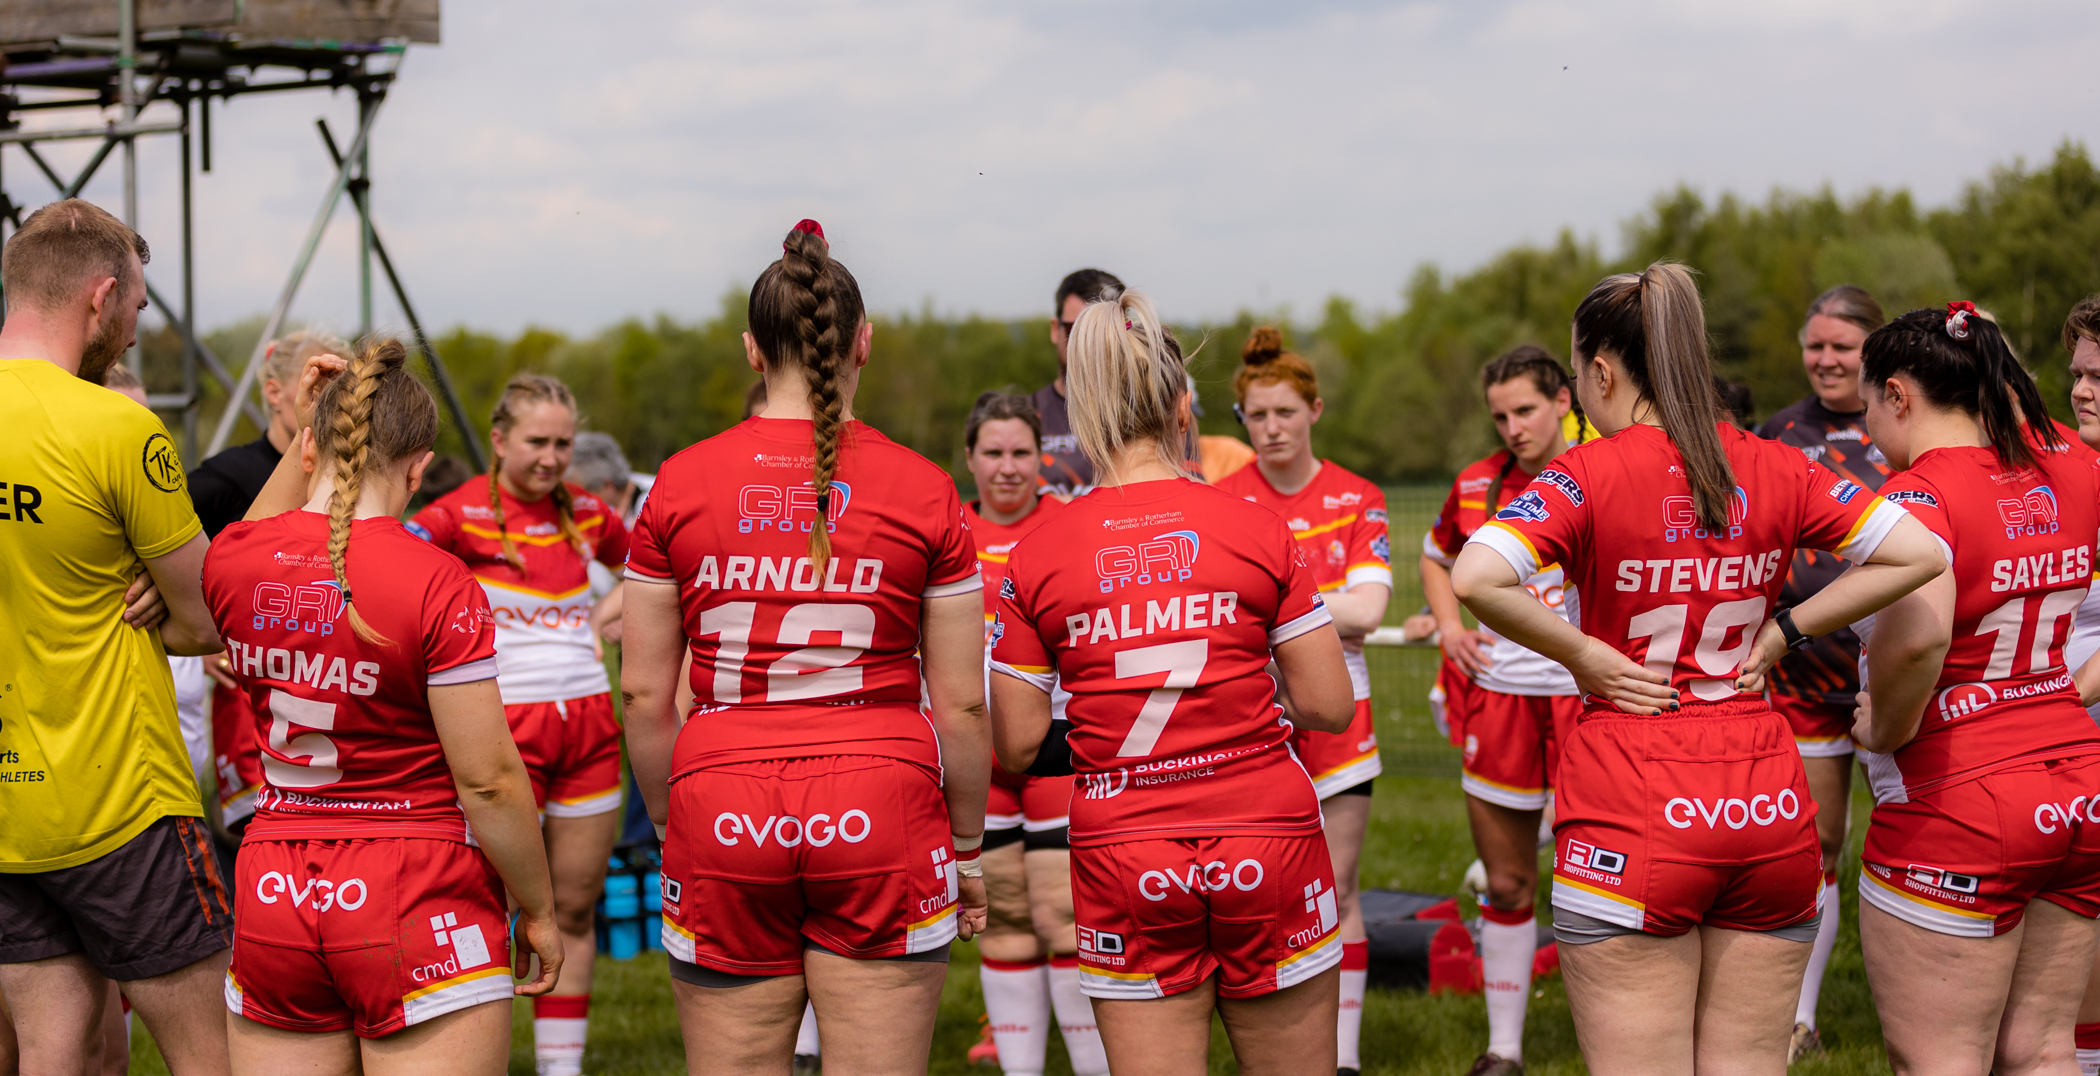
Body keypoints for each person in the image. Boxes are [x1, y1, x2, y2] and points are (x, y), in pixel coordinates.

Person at [1449, 262, 1943, 1074]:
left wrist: (1586, 656)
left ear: (1601, 371)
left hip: (1634, 789)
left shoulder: (1587, 470)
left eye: (1577, 373)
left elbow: (1475, 577)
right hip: (1762, 793)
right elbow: (1916, 553)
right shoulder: (1775, 460)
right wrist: (1786, 629)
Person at [620, 219, 991, 1074]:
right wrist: (967, 849)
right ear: (864, 341)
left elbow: (644, 697)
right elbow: (964, 704)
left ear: (753, 351)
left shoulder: (680, 479)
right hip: (883, 798)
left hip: (724, 791)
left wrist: (682, 814)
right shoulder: (924, 487)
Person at [989, 288, 1357, 1075]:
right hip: (1266, 828)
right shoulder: (1259, 526)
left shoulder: (1039, 553)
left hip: (1123, 841)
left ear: (1081, 409)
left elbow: (1017, 744)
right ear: (1181, 403)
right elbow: (1329, 704)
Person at [205, 339, 562, 1072]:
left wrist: (309, 435)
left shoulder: (233, 558)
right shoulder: (438, 579)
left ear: (310, 445)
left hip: (276, 881)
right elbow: (489, 780)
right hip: (414, 880)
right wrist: (542, 909)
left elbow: (261, 530)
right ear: (421, 466)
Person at [0, 198, 234, 1076]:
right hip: (122, 800)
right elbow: (205, 615)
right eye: (136, 308)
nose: (134, 332)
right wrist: (144, 592)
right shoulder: (118, 425)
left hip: (6, 809)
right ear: (100, 296)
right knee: (212, 1052)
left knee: (50, 1054)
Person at [1852, 304, 2100, 1075]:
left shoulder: (1915, 498)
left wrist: (1884, 727)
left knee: (1939, 1059)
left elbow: (1920, 636)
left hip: (1957, 792)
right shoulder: (2077, 469)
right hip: (2078, 779)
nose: (1865, 428)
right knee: (2046, 1051)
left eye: (1868, 404)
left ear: (1899, 395)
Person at [406, 373, 630, 1076]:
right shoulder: (457, 513)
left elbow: (654, 570)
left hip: (591, 724)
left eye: (563, 443)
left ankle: (561, 1069)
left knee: (573, 905)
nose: (552, 457)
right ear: (499, 440)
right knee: (495, 907)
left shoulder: (590, 512)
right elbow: (390, 567)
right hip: (503, 732)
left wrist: (603, 615)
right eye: (537, 441)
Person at [1211, 327, 1391, 1076]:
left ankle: (1340, 1060)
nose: (1272, 429)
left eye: (1286, 412)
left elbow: (1372, 610)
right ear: (1241, 418)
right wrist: (1324, 603)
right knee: (1257, 897)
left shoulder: (1357, 495)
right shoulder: (1220, 501)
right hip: (1247, 725)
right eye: (1257, 416)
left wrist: (1268, 605)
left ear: (1315, 409)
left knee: (1339, 890)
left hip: (1341, 726)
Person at [1417, 344, 1584, 1076]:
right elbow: (1435, 556)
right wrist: (1450, 625)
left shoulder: (1601, 467)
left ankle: (1620, 1041)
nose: (1513, 427)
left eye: (1525, 410)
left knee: (1602, 876)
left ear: (1563, 401)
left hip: (1588, 698)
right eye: (1500, 415)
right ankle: (1505, 1049)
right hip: (1503, 700)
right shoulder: (1479, 482)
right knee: (1509, 879)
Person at [1750, 283, 1889, 1060]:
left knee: (1912, 836)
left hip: (1894, 673)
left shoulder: (1903, 427)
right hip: (1803, 676)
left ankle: (1925, 994)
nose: (1827, 360)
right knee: (1820, 844)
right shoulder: (1779, 432)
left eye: (1843, 346)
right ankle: (1800, 1018)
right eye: (1816, 346)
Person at [956, 390, 1111, 1076]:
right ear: (970, 459)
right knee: (1005, 917)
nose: (1010, 468)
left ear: (1043, 457)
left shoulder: (1072, 527)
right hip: (972, 756)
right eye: (994, 453)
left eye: (1023, 452)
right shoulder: (946, 534)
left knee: (1064, 916)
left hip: (1053, 748)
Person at [2063, 294, 2100, 1076]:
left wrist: (2058, 704)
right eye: (2076, 374)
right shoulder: (2068, 469)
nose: (2083, 390)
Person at [1034, 269, 1126, 497]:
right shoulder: (1022, 419)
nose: (1087, 343)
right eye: (1075, 329)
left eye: (1102, 331)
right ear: (1055, 330)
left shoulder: (1156, 417)